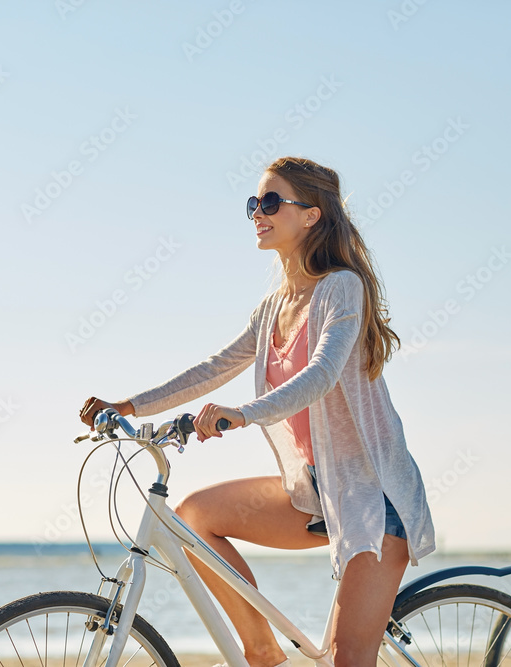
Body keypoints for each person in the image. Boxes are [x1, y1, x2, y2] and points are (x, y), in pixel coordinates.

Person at [80, 156, 435, 667]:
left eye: (270, 202)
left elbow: (321, 374)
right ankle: (262, 649)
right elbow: (214, 368)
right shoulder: (274, 306)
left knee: (347, 660)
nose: (257, 213)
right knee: (196, 515)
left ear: (311, 215)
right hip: (316, 493)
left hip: (373, 499)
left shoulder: (340, 287)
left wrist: (241, 414)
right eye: (253, 203)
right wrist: (129, 405)